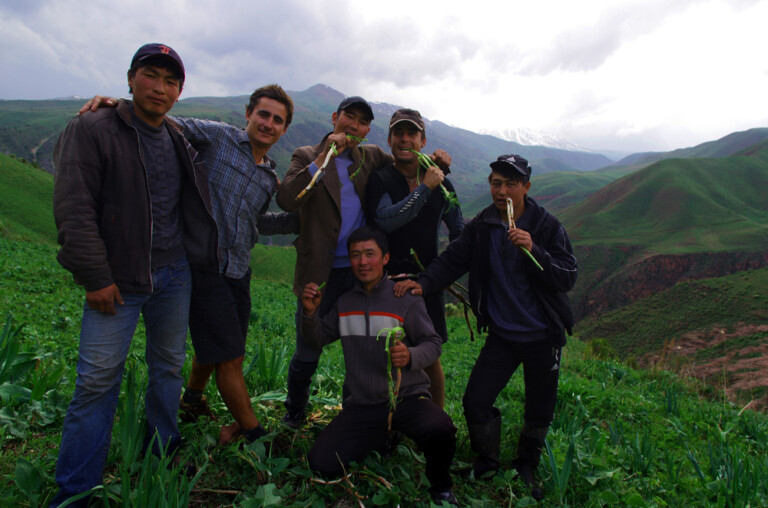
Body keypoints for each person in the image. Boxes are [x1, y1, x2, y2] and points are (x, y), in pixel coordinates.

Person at [80, 85, 298, 445]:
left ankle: (192, 400)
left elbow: (255, 222)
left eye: (277, 120)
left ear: (284, 129)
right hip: (204, 266)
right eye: (263, 114)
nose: (268, 124)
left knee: (222, 346)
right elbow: (163, 120)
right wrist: (119, 105)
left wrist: (299, 222)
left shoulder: (268, 178)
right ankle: (255, 435)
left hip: (238, 270)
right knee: (230, 358)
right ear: (248, 114)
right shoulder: (217, 137)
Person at [50, 43, 218, 506]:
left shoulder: (177, 135)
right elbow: (73, 207)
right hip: (117, 280)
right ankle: (76, 491)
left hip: (174, 274)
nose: (159, 88)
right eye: (151, 75)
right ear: (130, 78)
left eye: (170, 81)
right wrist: (95, 276)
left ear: (179, 92)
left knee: (168, 368)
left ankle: (161, 450)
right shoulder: (93, 128)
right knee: (97, 382)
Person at [395, 154, 578, 499]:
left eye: (511, 184)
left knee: (539, 408)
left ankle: (526, 465)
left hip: (543, 335)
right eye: (496, 183)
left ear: (526, 187)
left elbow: (567, 276)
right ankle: (487, 459)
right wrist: (424, 282)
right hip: (503, 335)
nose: (502, 191)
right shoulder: (483, 225)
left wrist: (534, 249)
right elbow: (454, 258)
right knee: (475, 400)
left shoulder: (546, 226)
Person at [301, 226, 458, 505]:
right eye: (356, 255)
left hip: (405, 398)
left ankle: (441, 486)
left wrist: (410, 356)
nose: (363, 262)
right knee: (321, 463)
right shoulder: (345, 302)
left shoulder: (404, 299)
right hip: (362, 404)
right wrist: (310, 313)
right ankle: (382, 436)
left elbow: (433, 343)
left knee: (440, 427)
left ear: (385, 258)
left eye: (370, 254)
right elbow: (318, 339)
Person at [275, 96, 392, 428]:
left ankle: (356, 413)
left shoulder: (369, 156)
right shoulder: (306, 155)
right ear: (334, 118)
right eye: (348, 117)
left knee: (361, 350)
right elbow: (287, 199)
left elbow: (403, 163)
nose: (354, 126)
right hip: (319, 272)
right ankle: (295, 410)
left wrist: (437, 164)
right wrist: (324, 157)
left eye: (362, 122)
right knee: (307, 350)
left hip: (359, 274)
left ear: (367, 131)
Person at [365, 108, 464, 408]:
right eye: (398, 133)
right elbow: (386, 220)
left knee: (429, 357)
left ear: (423, 141)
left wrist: (442, 273)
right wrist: (424, 188)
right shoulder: (381, 180)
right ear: (389, 140)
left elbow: (459, 231)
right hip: (387, 283)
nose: (405, 139)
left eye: (412, 134)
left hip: (426, 283)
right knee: (385, 353)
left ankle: (436, 420)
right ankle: (387, 417)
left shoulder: (442, 184)